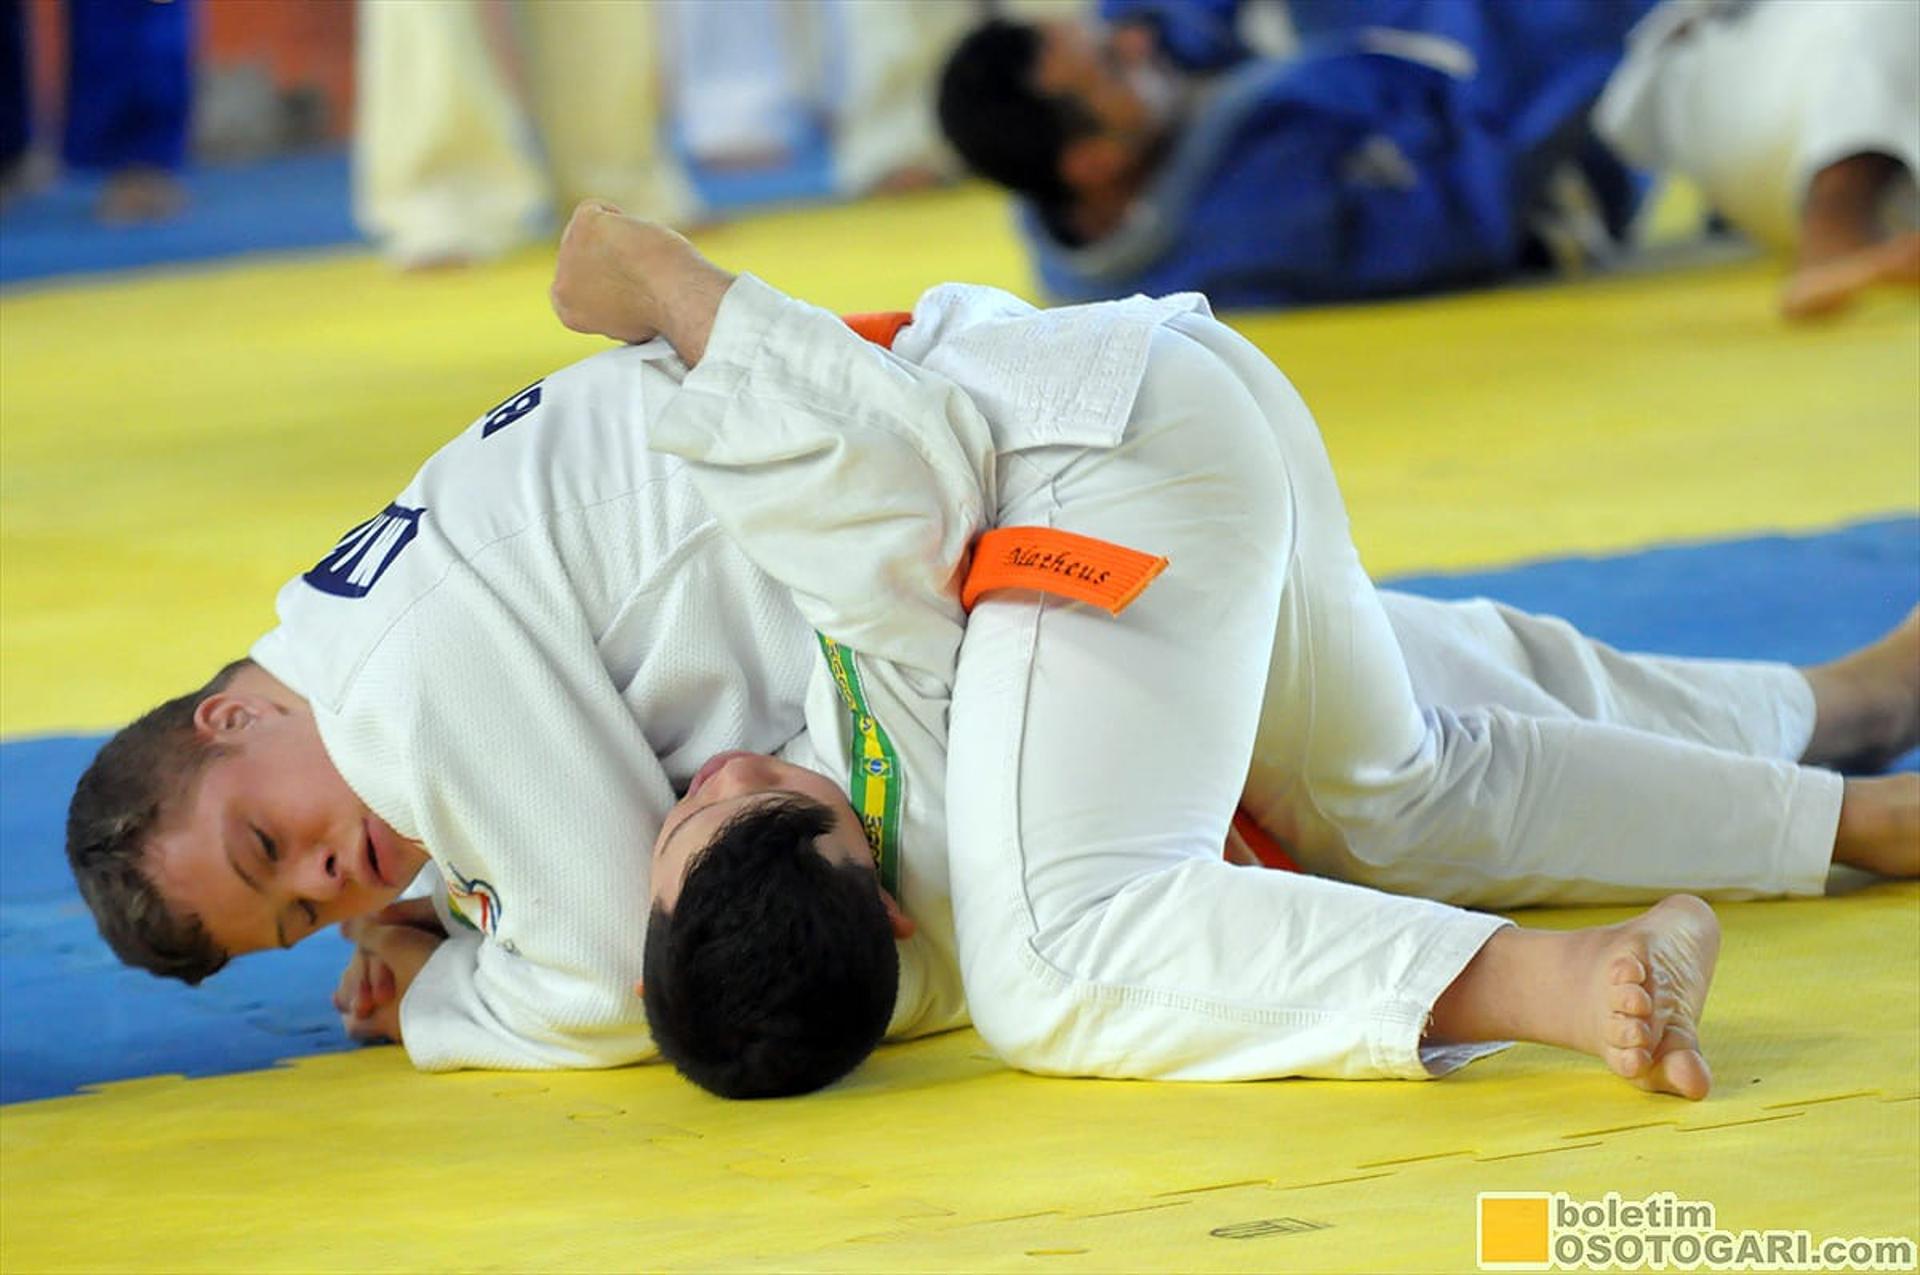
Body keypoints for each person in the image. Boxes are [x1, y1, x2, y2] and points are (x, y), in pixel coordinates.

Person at [545, 206, 1920, 1103]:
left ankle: (1559, 974)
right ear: (886, 908)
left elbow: (859, 462)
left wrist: (675, 289)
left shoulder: (898, 831)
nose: (717, 767)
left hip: (1089, 446)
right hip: (1142, 434)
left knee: (1054, 963)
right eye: (759, 800)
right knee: (1401, 793)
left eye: (682, 811)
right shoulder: (907, 845)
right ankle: (1851, 814)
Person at [934, 1, 1652, 306]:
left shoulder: (1131, 171)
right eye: (1112, 66)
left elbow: (1166, 27)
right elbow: (1480, 201)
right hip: (1551, 146)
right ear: (1093, 163)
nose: (1134, 43)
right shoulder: (1258, 225)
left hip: (1416, 58)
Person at [1592, 0, 1920, 319]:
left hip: (1727, 122)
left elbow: (1623, 130)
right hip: (1785, 123)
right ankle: (1836, 231)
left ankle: (1853, 238)